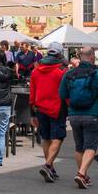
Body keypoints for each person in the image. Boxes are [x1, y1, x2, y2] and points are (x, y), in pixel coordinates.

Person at [59, 47, 98, 189]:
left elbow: (62, 95)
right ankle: (81, 173)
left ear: (79, 57)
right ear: (93, 57)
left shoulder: (69, 74)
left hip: (74, 116)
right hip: (92, 115)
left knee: (79, 147)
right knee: (91, 146)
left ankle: (84, 176)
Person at [29, 42, 69, 183]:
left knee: (46, 138)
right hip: (57, 108)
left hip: (40, 108)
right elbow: (65, 92)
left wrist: (32, 113)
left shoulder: (36, 71)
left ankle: (51, 168)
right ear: (59, 54)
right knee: (58, 138)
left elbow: (32, 93)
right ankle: (47, 165)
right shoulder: (61, 72)